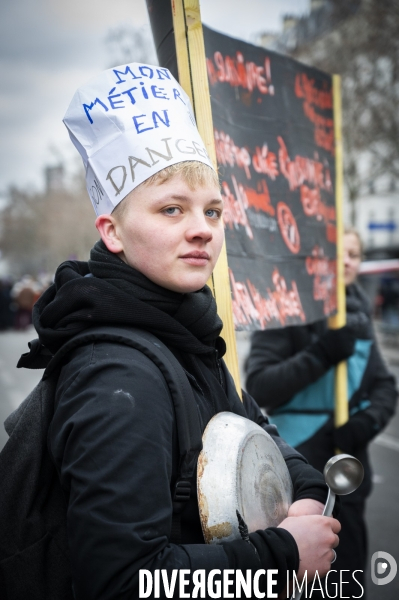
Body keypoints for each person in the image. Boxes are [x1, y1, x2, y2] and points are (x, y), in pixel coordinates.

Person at [27, 63, 340, 599]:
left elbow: (254, 428)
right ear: (113, 231)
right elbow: (122, 581)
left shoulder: (184, 332)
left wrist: (307, 493)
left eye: (213, 210)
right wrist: (284, 557)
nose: (201, 228)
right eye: (171, 209)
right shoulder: (116, 375)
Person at [245, 227, 397, 598]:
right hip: (299, 480)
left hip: (349, 475)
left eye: (354, 254)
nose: (346, 261)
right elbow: (260, 384)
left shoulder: (358, 312)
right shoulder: (285, 308)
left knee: (348, 581)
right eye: (338, 252)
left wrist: (365, 424)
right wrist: (323, 353)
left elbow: (384, 387)